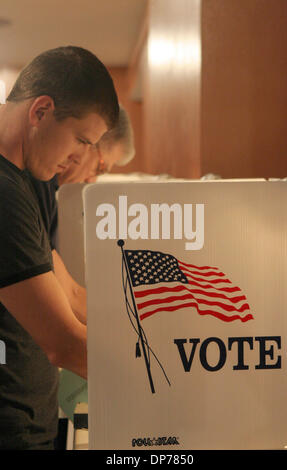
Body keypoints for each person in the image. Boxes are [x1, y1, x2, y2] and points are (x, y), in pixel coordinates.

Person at [0, 46, 119, 450]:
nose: (78, 159)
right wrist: (168, 374)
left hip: (29, 420)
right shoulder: (3, 191)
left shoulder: (24, 179)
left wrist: (141, 328)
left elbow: (66, 291)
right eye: (81, 141)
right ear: (41, 111)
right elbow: (64, 343)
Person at [29, 105, 135, 326]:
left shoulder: (49, 189)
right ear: (87, 142)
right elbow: (67, 294)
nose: (92, 180)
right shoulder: (33, 183)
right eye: (101, 168)